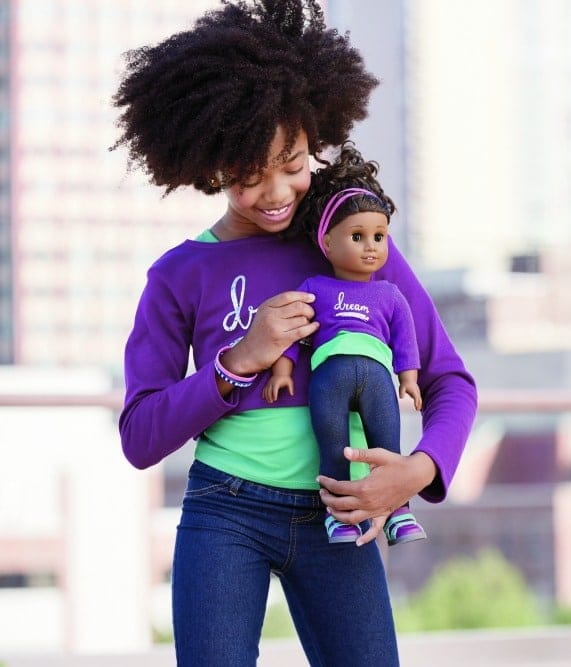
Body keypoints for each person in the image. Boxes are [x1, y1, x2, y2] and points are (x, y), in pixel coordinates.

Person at [113, 1, 477, 665]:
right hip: (224, 513)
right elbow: (141, 435)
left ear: (317, 137)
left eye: (294, 161)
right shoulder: (177, 276)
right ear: (210, 166)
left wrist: (416, 472)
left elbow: (450, 379)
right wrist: (239, 361)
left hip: (338, 513)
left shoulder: (352, 244)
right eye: (250, 175)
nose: (278, 191)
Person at [262, 145, 428, 547]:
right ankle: (339, 517)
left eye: (379, 237)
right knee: (333, 447)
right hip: (329, 378)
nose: (371, 246)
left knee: (388, 445)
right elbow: (294, 330)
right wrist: (283, 369)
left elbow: (405, 337)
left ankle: (399, 514)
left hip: (376, 377)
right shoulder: (315, 288)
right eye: (358, 237)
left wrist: (409, 378)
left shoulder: (390, 294)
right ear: (329, 245)